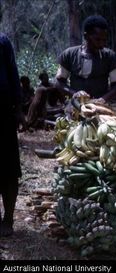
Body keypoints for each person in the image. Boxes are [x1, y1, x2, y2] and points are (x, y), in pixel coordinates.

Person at [55, 15, 116, 103]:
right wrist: (74, 94)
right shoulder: (69, 54)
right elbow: (59, 82)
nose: (101, 44)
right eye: (97, 40)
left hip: (100, 106)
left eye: (104, 40)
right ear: (86, 36)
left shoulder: (109, 56)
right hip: (75, 105)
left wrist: (103, 99)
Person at [0, 33, 23, 236]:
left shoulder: (3, 41)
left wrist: (17, 108)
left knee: (8, 169)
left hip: (3, 114)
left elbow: (12, 73)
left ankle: (8, 219)